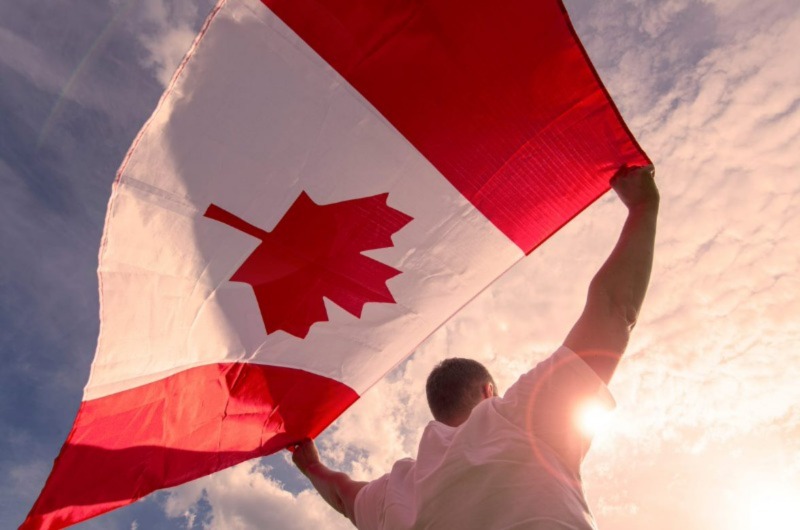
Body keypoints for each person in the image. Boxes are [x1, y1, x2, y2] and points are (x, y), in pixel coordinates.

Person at [291, 165, 660, 529]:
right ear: (488, 391)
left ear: (439, 410)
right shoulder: (518, 418)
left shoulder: (396, 491)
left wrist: (311, 466)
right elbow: (614, 310)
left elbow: (341, 495)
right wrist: (643, 206)